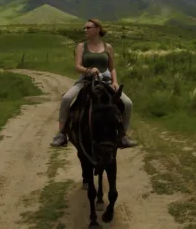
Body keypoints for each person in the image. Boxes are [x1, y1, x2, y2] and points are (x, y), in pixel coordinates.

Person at [50, 18, 138, 148]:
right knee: (66, 98)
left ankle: (123, 135)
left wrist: (115, 82)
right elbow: (77, 66)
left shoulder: (108, 47)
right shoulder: (81, 46)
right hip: (85, 81)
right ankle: (62, 134)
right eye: (84, 28)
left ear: (97, 29)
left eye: (88, 27)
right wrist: (89, 70)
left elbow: (112, 67)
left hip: (106, 82)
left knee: (128, 103)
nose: (85, 30)